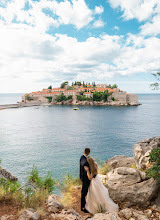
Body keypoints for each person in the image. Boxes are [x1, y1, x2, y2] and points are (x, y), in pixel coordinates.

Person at [80, 148, 91, 213]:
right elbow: (86, 172)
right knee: (84, 193)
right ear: (89, 152)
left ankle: (84, 205)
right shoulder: (86, 162)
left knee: (83, 193)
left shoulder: (81, 157)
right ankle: (83, 208)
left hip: (82, 178)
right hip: (86, 179)